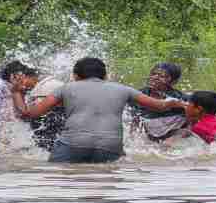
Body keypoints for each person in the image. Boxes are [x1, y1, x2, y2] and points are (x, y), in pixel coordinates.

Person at [18, 57, 187, 163]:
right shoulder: (124, 89)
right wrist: (182, 104)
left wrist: (16, 92)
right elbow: (162, 105)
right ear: (105, 76)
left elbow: (29, 114)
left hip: (73, 144)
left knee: (54, 174)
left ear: (75, 76)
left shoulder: (65, 89)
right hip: (111, 147)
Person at [129, 63, 189, 143]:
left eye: (162, 76)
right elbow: (134, 122)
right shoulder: (138, 95)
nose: (155, 78)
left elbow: (192, 121)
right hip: (148, 135)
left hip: (171, 136)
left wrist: (176, 137)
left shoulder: (180, 99)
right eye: (153, 74)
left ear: (173, 82)